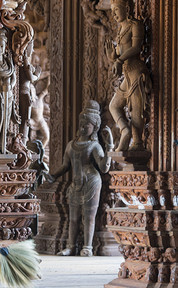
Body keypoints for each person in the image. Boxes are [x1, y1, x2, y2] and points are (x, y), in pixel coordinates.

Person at [46, 100, 113, 256]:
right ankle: (71, 246)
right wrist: (53, 175)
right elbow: (65, 166)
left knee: (89, 217)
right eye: (81, 124)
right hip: (75, 184)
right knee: (73, 218)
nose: (83, 127)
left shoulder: (94, 146)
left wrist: (109, 147)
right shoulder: (71, 145)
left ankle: (87, 247)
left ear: (94, 127)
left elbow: (104, 167)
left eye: (87, 125)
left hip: (92, 182)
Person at [105, 0, 151, 151]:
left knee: (136, 111)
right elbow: (120, 52)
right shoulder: (120, 30)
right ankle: (125, 131)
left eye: (116, 10)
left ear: (126, 8)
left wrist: (119, 60)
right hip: (126, 74)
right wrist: (112, 55)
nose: (114, 14)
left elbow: (136, 47)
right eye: (112, 11)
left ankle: (137, 144)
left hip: (136, 71)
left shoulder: (134, 25)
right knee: (114, 106)